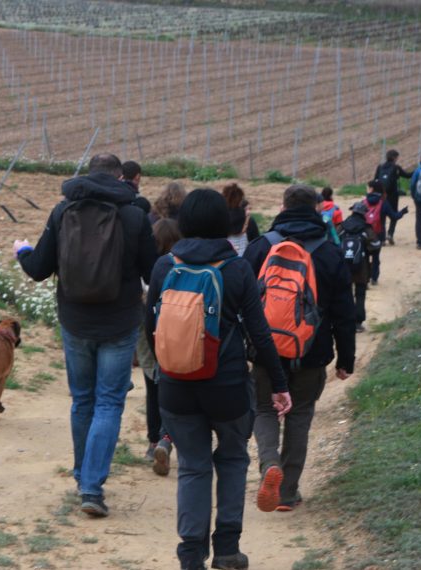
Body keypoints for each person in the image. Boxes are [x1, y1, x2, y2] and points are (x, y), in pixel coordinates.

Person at [146, 189, 292, 570]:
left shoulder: (164, 266)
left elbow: (150, 328)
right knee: (231, 460)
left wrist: (168, 368)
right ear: (223, 222)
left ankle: (191, 555)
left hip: (176, 387)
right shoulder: (237, 268)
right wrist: (278, 384)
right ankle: (227, 549)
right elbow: (260, 334)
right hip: (226, 385)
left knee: (193, 467)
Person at [14, 153, 158, 518]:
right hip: (120, 321)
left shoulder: (62, 213)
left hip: (75, 320)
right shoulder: (134, 215)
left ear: (87, 175)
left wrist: (23, 251)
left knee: (82, 401)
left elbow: (38, 270)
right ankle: (92, 487)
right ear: (120, 178)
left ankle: (82, 477)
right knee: (109, 402)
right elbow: (152, 270)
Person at [243, 185, 357, 513]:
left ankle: (269, 466)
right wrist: (345, 359)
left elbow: (240, 302)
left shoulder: (260, 247)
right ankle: (288, 493)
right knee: (300, 415)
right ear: (319, 208)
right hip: (312, 351)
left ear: (282, 206)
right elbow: (344, 313)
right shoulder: (329, 253)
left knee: (264, 408)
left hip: (266, 350)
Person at [140, 217, 181, 476]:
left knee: (151, 387)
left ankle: (153, 441)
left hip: (148, 332)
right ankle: (167, 437)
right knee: (172, 389)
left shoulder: (151, 266)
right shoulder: (178, 265)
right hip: (177, 334)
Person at [337, 201, 382, 332]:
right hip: (361, 266)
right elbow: (375, 245)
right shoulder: (366, 228)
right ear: (364, 213)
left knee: (346, 293)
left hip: (344, 266)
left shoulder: (342, 227)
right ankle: (358, 322)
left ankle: (346, 319)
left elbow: (333, 242)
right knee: (360, 293)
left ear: (352, 211)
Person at [363, 180, 408, 285]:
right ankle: (374, 278)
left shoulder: (364, 202)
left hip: (365, 234)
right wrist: (403, 212)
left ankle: (365, 278)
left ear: (371, 189)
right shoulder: (383, 202)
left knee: (364, 257)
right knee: (375, 257)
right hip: (378, 234)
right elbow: (394, 216)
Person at [372, 150, 411, 244]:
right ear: (394, 158)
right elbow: (407, 175)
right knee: (394, 215)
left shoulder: (380, 167)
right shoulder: (396, 168)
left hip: (382, 196)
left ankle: (382, 239)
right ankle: (390, 234)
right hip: (393, 195)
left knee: (382, 217)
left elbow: (375, 181)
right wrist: (419, 169)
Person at [221, 183, 260, 256]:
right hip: (244, 264)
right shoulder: (249, 221)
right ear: (240, 200)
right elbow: (257, 247)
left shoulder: (218, 221)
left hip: (222, 264)